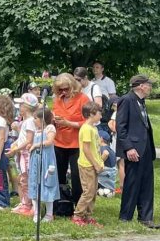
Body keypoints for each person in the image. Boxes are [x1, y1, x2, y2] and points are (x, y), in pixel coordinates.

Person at [116, 74, 158, 228]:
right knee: (132, 183)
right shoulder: (127, 100)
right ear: (141, 85)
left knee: (147, 182)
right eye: (149, 85)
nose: (150, 87)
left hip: (146, 146)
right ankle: (125, 216)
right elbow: (121, 127)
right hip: (134, 148)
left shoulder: (142, 102)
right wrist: (128, 147)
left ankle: (146, 217)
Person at [51, 72, 90, 205]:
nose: (63, 92)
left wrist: (69, 123)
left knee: (76, 176)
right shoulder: (57, 100)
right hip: (59, 141)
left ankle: (77, 204)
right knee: (58, 174)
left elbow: (88, 122)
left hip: (76, 143)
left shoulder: (82, 99)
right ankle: (61, 201)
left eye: (66, 89)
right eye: (60, 89)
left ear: (72, 86)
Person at [73, 102, 105, 227]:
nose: (101, 116)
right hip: (87, 165)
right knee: (88, 192)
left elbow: (95, 148)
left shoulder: (93, 128)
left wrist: (100, 162)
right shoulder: (86, 128)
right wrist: (95, 164)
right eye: (99, 114)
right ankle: (78, 215)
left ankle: (87, 215)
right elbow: (86, 149)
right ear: (91, 114)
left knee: (93, 191)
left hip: (94, 164)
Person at [28, 108, 59, 223]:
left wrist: (36, 145)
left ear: (42, 119)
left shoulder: (49, 128)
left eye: (35, 118)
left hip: (46, 160)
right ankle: (36, 212)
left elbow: (49, 141)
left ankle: (49, 214)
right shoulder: (37, 130)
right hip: (36, 160)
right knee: (34, 183)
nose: (34, 120)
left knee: (47, 183)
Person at [10, 93, 38, 215]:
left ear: (26, 107)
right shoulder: (26, 121)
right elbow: (22, 137)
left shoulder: (30, 121)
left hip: (27, 154)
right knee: (22, 179)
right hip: (22, 153)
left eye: (21, 104)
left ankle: (29, 205)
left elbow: (29, 140)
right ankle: (24, 202)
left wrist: (16, 149)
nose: (19, 107)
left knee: (26, 179)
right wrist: (15, 144)